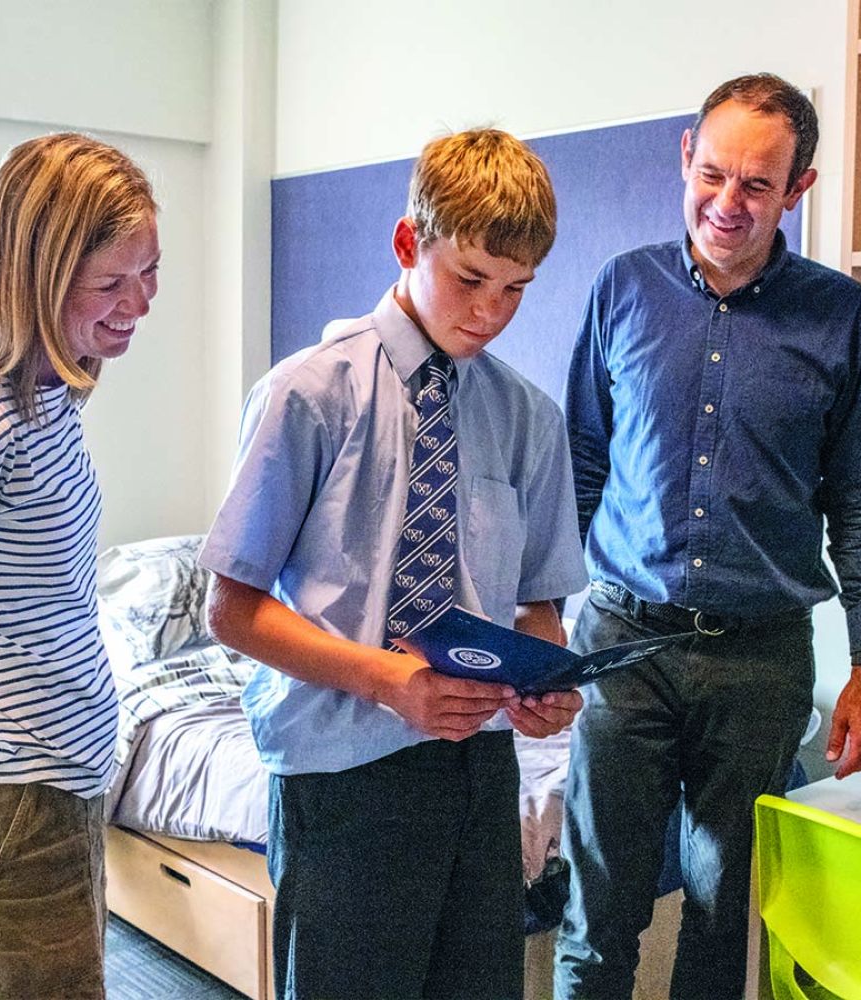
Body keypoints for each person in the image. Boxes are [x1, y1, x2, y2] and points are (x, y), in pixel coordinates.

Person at [201, 127, 588, 1000]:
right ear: (409, 244)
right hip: (341, 774)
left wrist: (543, 677)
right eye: (471, 280)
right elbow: (230, 608)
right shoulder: (307, 394)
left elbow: (535, 603)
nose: (491, 312)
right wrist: (385, 681)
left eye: (518, 290)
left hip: (479, 769)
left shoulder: (526, 415)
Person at [556, 73, 861, 1000]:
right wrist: (546, 618)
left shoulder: (843, 318)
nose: (728, 204)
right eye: (712, 174)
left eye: (757, 185)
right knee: (598, 921)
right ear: (685, 157)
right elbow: (580, 463)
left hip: (761, 662)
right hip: (624, 646)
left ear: (800, 189)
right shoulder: (622, 287)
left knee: (723, 924)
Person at [0, 132, 160, 999]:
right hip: (3, 812)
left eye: (150, 271)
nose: (140, 302)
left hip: (55, 798)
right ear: (36, 273)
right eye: (111, 281)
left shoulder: (49, 396)